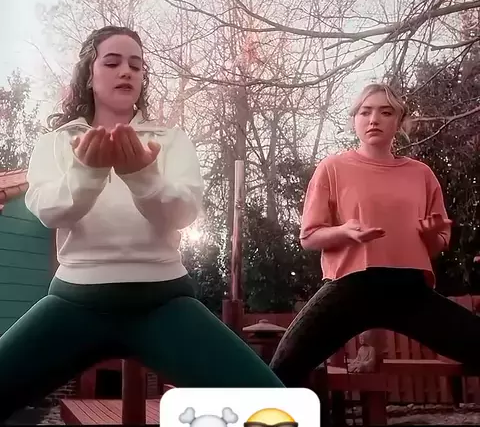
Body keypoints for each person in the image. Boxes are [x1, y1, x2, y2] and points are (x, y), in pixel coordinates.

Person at [0, 25, 283, 421]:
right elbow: (50, 211)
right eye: (112, 62)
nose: (126, 71)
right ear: (89, 75)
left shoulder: (170, 140)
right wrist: (88, 173)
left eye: (136, 65)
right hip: (75, 302)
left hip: (163, 302)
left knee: (276, 411)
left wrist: (142, 176)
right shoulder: (56, 143)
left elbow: (182, 213)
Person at [269, 83, 480, 388]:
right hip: (351, 287)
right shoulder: (333, 167)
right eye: (365, 112)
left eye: (386, 112)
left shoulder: (421, 174)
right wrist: (344, 232)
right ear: (354, 119)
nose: (374, 120)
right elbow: (309, 237)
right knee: (282, 369)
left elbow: (436, 247)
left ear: (399, 121)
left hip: (409, 290)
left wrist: (431, 235)